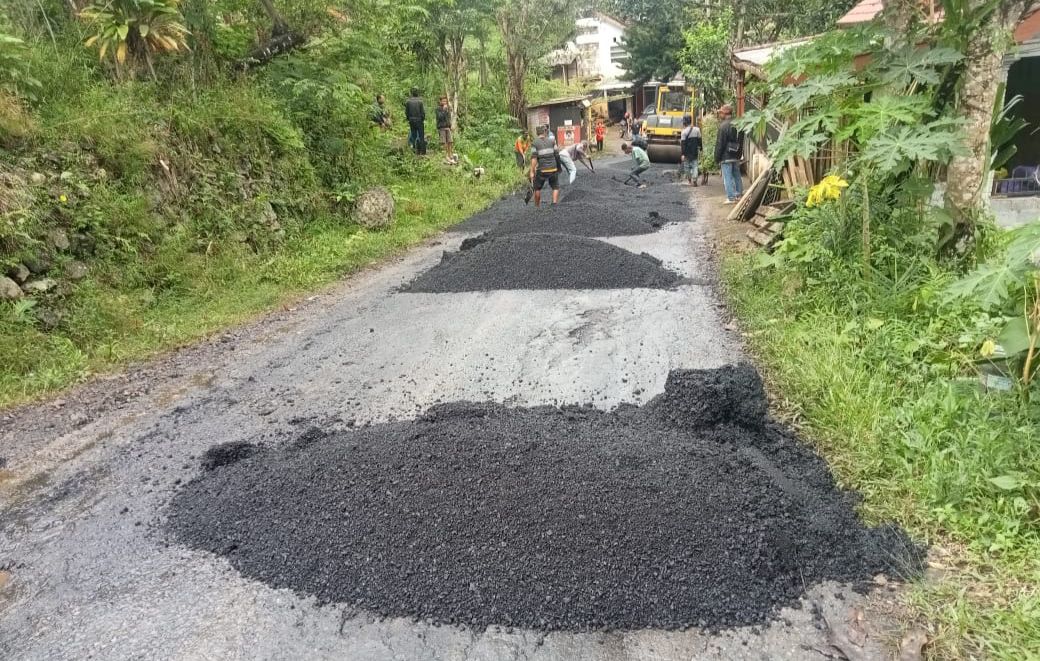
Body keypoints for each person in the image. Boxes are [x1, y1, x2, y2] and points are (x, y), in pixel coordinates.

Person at [714, 104, 744, 203]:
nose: (720, 114)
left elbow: (720, 144)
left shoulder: (723, 126)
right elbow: (741, 141)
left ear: (726, 113)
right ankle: (739, 195)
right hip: (736, 155)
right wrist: (739, 154)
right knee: (737, 176)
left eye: (721, 112)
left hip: (726, 156)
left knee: (727, 177)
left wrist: (717, 158)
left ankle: (731, 198)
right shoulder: (738, 124)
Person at [528, 125, 561, 207]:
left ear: (537, 133)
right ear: (545, 132)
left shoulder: (534, 143)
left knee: (537, 188)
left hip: (542, 169)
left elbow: (534, 158)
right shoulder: (552, 141)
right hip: (553, 168)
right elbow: (557, 154)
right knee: (555, 186)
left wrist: (532, 171)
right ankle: (554, 204)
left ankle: (537, 207)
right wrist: (558, 167)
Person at [679, 115, 702, 186]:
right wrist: (701, 148)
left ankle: (689, 180)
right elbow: (699, 141)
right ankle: (694, 180)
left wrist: (682, 154)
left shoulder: (684, 132)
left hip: (686, 153)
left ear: (684, 123)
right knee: (695, 166)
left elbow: (683, 144)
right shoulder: (697, 129)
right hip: (694, 151)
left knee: (687, 166)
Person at [404, 87, 426, 153]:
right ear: (418, 94)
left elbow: (406, 112)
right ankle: (422, 150)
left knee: (413, 135)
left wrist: (408, 118)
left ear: (412, 94)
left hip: (412, 120)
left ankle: (414, 149)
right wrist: (422, 119)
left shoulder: (408, 102)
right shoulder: (420, 102)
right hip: (419, 120)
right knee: (421, 135)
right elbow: (423, 112)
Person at [436, 96, 455, 163]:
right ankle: (445, 155)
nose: (444, 102)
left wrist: (450, 125)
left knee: (450, 141)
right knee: (444, 143)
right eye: (443, 101)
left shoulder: (447, 108)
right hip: (442, 127)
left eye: (445, 101)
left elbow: (448, 118)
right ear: (440, 101)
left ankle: (450, 154)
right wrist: (444, 110)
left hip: (447, 127)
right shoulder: (438, 109)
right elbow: (439, 117)